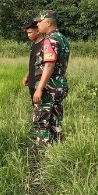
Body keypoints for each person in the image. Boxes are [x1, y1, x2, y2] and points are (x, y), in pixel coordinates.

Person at [30, 10, 70, 147]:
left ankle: (41, 157)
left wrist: (39, 89)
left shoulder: (49, 40)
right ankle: (57, 150)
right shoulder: (62, 38)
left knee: (41, 120)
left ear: (48, 22)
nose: (37, 24)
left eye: (39, 22)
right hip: (60, 85)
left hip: (49, 86)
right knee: (56, 119)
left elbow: (49, 65)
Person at [22, 21, 44, 101]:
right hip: (32, 82)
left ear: (38, 31)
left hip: (39, 84)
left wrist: (40, 88)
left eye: (30, 32)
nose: (28, 35)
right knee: (35, 108)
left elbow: (47, 66)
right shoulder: (34, 45)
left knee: (41, 109)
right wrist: (27, 76)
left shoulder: (44, 45)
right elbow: (33, 63)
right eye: (27, 33)